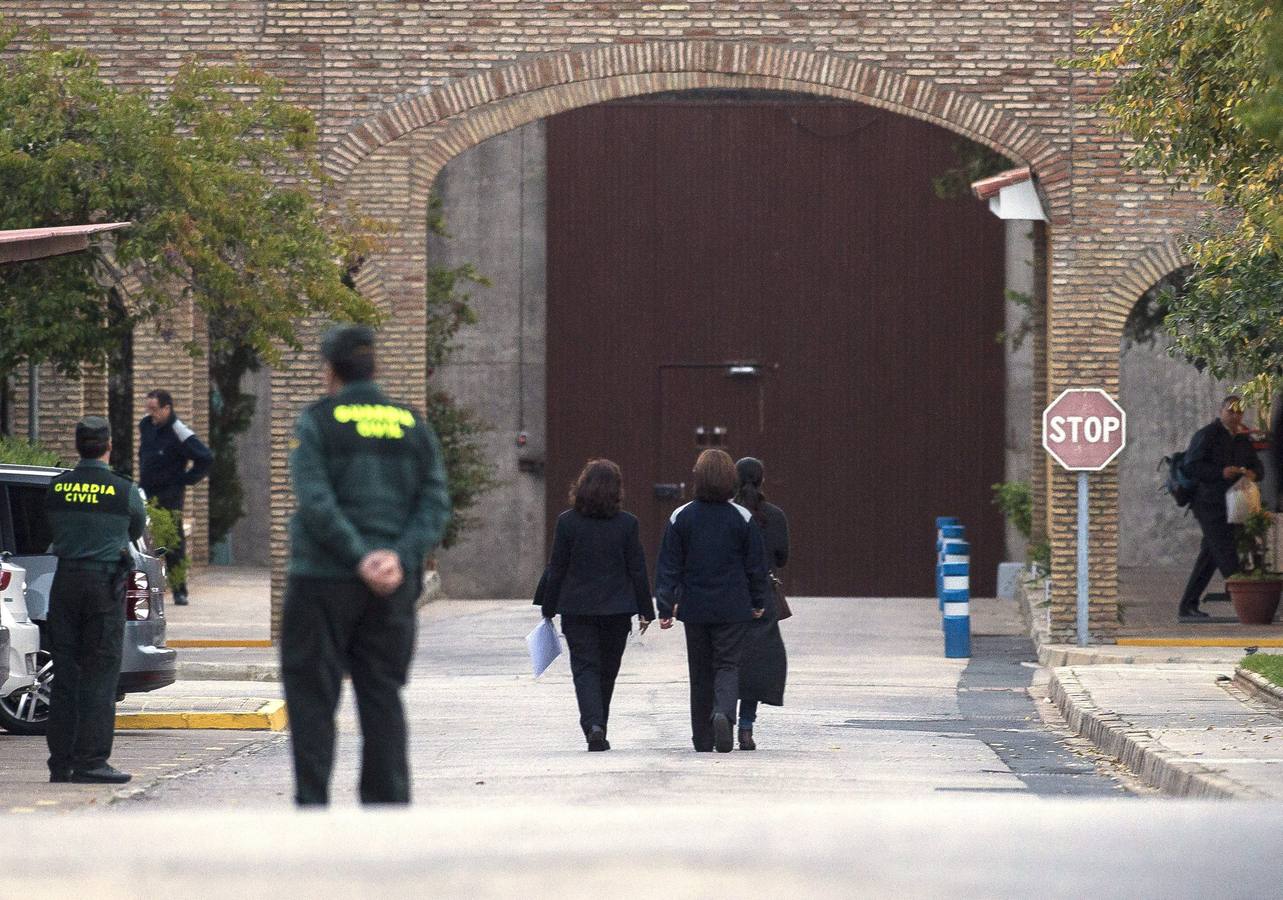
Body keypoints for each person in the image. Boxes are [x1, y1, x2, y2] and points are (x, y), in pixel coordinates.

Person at [281, 324, 450, 806]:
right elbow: (434, 501)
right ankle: (387, 810)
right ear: (374, 367)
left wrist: (358, 557)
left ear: (329, 370)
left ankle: (313, 807)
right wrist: (397, 556)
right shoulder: (410, 424)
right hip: (393, 585)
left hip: (323, 579)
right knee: (381, 693)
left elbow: (315, 499)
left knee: (313, 696)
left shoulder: (318, 420)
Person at [44, 416, 147, 784]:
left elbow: (50, 527)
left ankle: (61, 762)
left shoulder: (58, 488)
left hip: (65, 583)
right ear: (108, 446)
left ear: (77, 446)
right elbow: (136, 528)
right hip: (103, 586)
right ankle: (91, 762)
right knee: (100, 676)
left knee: (66, 674)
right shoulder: (122, 489)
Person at [656, 448, 769, 753]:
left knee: (700, 672)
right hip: (733, 606)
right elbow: (756, 566)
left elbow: (669, 565)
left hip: (695, 607)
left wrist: (665, 606)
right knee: (728, 665)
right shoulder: (742, 518)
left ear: (699, 477)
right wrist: (759, 601)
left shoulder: (681, 516)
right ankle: (724, 712)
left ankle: (702, 738)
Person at [539, 459, 655, 751]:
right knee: (608, 670)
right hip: (617, 611)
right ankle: (599, 723)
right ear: (617, 490)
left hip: (577, 610)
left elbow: (557, 567)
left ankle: (594, 724)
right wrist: (646, 609)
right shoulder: (627, 524)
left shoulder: (567, 522)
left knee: (585, 668)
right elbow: (637, 568)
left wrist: (548, 606)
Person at [1178, 395, 1263, 622]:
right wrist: (1220, 473)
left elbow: (1258, 468)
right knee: (1226, 552)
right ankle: (1250, 605)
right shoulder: (1207, 435)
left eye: (1239, 412)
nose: (1234, 416)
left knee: (1210, 554)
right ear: (1221, 411)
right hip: (1208, 503)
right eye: (1230, 411)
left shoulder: (1243, 440)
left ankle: (1188, 605)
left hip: (1234, 504)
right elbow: (1191, 466)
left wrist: (1251, 473)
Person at [732, 457, 789, 751]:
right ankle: (746, 726)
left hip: (729, 593)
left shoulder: (728, 514)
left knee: (727, 657)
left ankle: (723, 714)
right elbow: (781, 557)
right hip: (763, 594)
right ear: (762, 480)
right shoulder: (774, 516)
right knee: (756, 660)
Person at [138, 389, 212, 605]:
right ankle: (150, 587)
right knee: (146, 540)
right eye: (148, 409)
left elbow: (205, 458)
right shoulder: (146, 425)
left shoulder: (179, 431)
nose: (150, 413)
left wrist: (186, 479)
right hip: (147, 492)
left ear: (166, 408)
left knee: (173, 542)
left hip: (169, 494)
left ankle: (180, 590)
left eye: (154, 409)